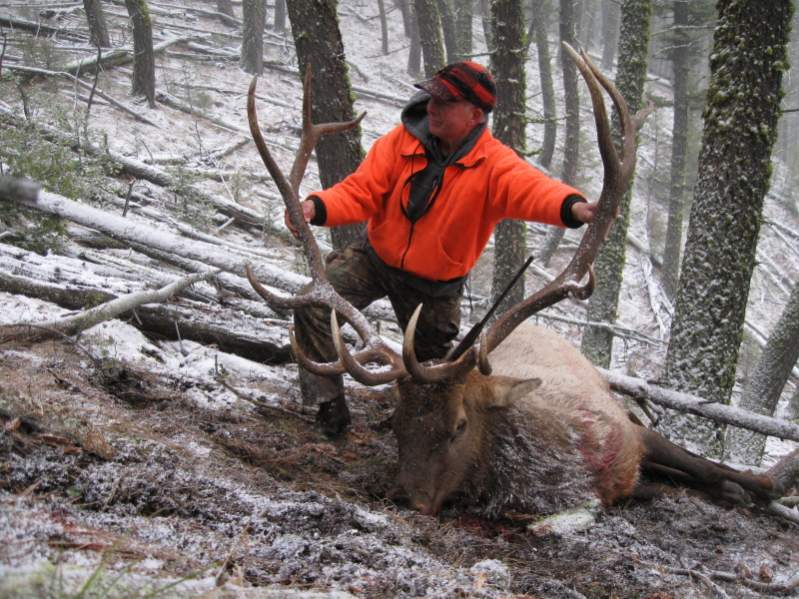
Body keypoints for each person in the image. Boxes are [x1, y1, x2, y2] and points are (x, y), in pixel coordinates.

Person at [287, 61, 596, 437]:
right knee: (314, 304)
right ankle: (329, 406)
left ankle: (412, 434)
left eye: (446, 102)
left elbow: (535, 190)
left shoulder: (494, 166)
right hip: (376, 259)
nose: (432, 107)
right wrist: (316, 207)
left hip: (433, 287)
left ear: (475, 114)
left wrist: (574, 207)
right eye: (432, 97)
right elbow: (361, 191)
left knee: (433, 378)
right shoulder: (400, 142)